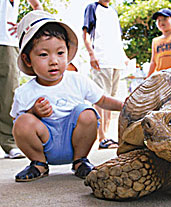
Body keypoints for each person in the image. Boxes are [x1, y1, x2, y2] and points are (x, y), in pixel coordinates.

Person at [10, 10, 123, 182]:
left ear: (68, 52)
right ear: (27, 60)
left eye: (60, 53)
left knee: (87, 112)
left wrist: (126, 105)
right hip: (45, 143)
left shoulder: (77, 80)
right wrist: (33, 112)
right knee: (22, 120)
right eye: (43, 54)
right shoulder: (24, 92)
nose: (53, 60)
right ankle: (38, 163)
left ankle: (80, 161)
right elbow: (17, 127)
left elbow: (103, 100)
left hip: (75, 142)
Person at [82, 0, 129, 149]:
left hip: (116, 61)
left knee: (111, 101)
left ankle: (106, 136)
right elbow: (86, 34)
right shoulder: (92, 8)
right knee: (100, 99)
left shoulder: (113, 12)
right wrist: (91, 54)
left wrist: (124, 57)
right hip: (101, 60)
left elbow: (116, 39)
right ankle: (101, 136)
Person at [0, 0, 42, 159]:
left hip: (6, 42)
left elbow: (37, 6)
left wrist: (26, 25)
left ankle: (10, 143)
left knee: (7, 95)